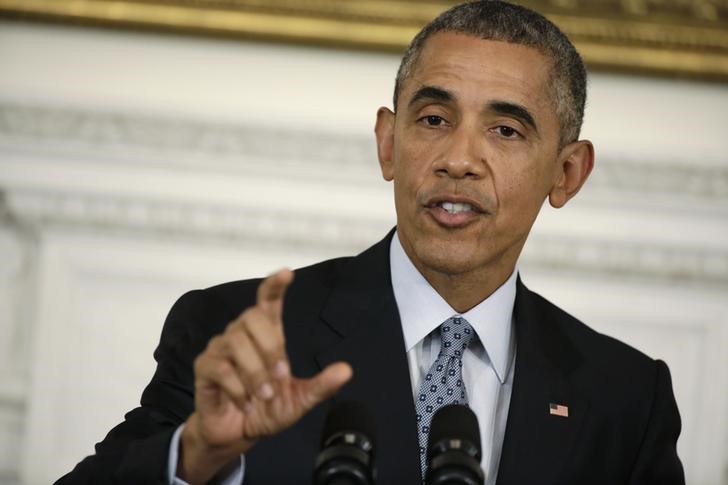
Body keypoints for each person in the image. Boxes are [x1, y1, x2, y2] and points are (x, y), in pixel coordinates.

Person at [57, 1, 685, 484]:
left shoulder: (624, 397)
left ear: (567, 173)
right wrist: (197, 455)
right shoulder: (237, 333)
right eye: (434, 120)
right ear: (389, 143)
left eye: (505, 129)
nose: (459, 159)